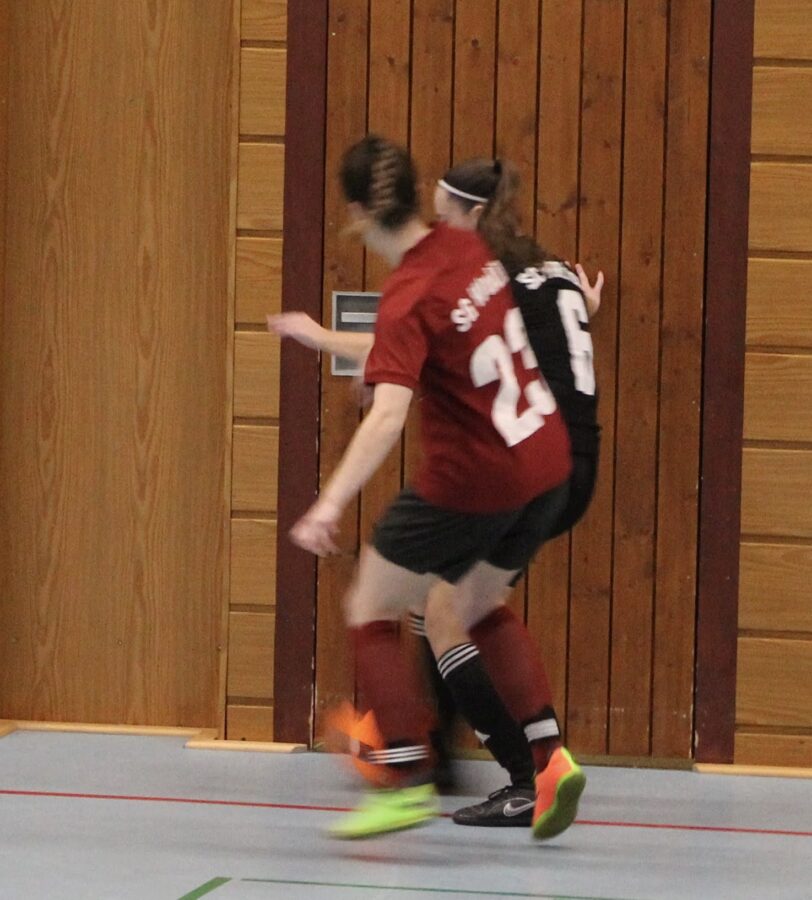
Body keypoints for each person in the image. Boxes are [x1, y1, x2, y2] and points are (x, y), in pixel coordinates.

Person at [270, 157, 602, 829]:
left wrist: (327, 503)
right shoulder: (509, 263)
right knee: (463, 603)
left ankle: (416, 774)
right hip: (552, 457)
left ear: (358, 214)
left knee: (393, 605)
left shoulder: (439, 276)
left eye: (449, 205)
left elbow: (394, 390)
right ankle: (540, 759)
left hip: (490, 467)